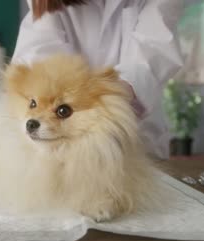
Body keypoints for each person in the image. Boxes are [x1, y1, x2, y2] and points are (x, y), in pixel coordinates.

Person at [12, 0, 184, 158]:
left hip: (138, 136)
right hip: (47, 149)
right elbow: (40, 53)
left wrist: (118, 95)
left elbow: (155, 44)